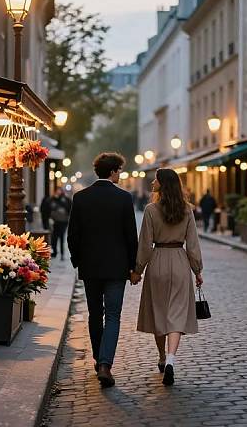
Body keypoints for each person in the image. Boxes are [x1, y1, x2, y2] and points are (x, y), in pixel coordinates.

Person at [68, 152, 138, 388]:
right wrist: (133, 266)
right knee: (114, 315)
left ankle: (99, 359)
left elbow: (72, 236)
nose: (120, 174)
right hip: (117, 268)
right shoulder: (124, 198)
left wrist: (78, 261)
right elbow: (131, 237)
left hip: (90, 268)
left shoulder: (81, 198)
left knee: (95, 314)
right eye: (119, 170)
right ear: (113, 171)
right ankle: (106, 363)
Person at [131, 168, 203, 386]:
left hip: (158, 262)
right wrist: (197, 270)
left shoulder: (151, 210)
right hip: (180, 262)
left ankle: (161, 356)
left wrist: (137, 270)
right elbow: (193, 244)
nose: (153, 182)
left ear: (162, 184)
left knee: (159, 312)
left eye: (156, 179)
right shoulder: (187, 210)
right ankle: (171, 359)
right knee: (177, 314)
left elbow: (145, 244)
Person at [41, 188, 72, 259]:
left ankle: (62, 253)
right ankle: (54, 252)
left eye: (60, 190)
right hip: (54, 222)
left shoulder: (66, 200)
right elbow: (46, 209)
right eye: (57, 190)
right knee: (54, 238)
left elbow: (70, 208)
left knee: (62, 237)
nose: (58, 192)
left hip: (63, 222)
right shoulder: (51, 200)